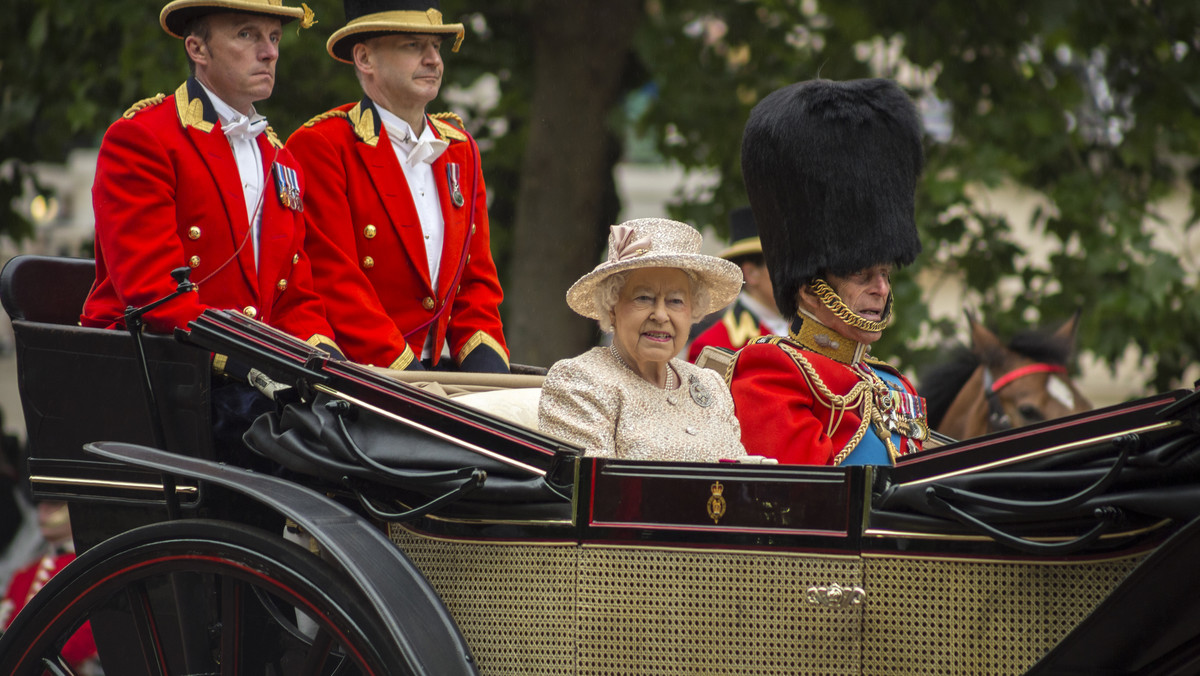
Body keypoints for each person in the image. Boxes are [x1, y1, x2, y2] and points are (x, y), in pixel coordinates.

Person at [82, 0, 339, 362]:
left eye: (275, 37)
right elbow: (157, 295)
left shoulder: (283, 160)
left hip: (248, 374)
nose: (268, 53)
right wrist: (257, 361)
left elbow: (295, 299)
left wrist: (326, 360)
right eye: (246, 34)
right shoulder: (143, 138)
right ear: (197, 48)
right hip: (162, 369)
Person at [286, 0, 509, 372]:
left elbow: (476, 285)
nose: (433, 60)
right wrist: (410, 379)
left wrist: (490, 381)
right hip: (363, 377)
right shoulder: (324, 145)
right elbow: (336, 284)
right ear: (364, 58)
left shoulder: (461, 150)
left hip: (438, 380)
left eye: (436, 47)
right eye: (412, 45)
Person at [728, 78, 930, 466]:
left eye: (885, 274)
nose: (881, 289)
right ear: (810, 289)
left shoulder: (893, 383)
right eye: (862, 275)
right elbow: (809, 505)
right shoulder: (771, 374)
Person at [538, 218, 748, 461]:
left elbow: (741, 478)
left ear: (693, 311)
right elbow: (592, 491)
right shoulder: (579, 382)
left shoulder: (710, 385)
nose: (660, 315)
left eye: (675, 301)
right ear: (612, 307)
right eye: (644, 298)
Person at [0, 502, 98, 672]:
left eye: (55, 505)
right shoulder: (24, 575)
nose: (43, 509)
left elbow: (86, 639)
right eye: (41, 503)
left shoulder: (87, 570)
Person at [687, 206, 786, 362]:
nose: (795, 276)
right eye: (784, 267)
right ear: (752, 273)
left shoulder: (811, 331)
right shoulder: (711, 347)